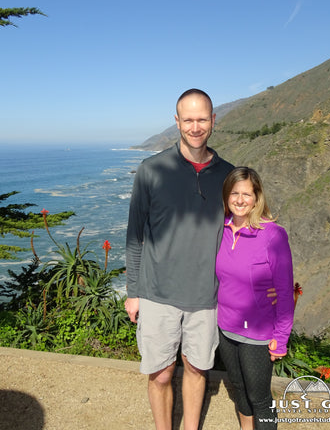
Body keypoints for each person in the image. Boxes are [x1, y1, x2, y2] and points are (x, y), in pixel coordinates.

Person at [125, 89, 234, 430]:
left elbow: (242, 234)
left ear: (213, 120)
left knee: (197, 369)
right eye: (188, 119)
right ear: (177, 122)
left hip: (207, 296)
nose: (196, 126)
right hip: (157, 293)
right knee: (160, 375)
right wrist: (132, 291)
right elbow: (135, 234)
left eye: (202, 119)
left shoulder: (229, 175)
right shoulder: (150, 170)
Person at [216, 167, 294, 430]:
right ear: (226, 196)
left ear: (257, 197)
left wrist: (281, 338)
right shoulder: (220, 230)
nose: (239, 200)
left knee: (259, 399)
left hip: (258, 333)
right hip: (225, 328)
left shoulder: (272, 235)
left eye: (246, 194)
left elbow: (284, 292)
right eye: (234, 193)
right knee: (239, 389)